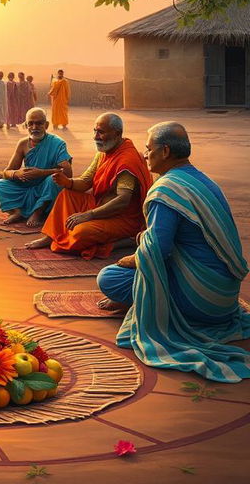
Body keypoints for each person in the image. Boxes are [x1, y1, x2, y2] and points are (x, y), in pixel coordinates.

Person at [97, 122, 250, 382]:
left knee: (109, 277)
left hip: (200, 302)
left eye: (149, 149)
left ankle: (139, 300)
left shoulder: (167, 190)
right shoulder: (202, 180)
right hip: (224, 297)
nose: (145, 155)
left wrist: (130, 259)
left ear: (165, 151)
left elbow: (157, 250)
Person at [26, 113, 152, 258]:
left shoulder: (126, 161)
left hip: (122, 218)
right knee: (67, 194)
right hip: (101, 207)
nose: (95, 136)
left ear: (117, 134)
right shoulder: (104, 153)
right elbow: (86, 181)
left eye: (101, 132)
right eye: (95, 131)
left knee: (80, 233)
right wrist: (68, 182)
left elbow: (123, 200)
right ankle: (50, 237)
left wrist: (88, 215)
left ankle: (125, 241)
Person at [0, 108, 72, 228]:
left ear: (46, 125)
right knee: (0, 184)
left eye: (39, 123)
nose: (35, 127)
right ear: (26, 125)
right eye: (31, 123)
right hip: (26, 186)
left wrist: (41, 173)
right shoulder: (23, 144)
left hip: (46, 189)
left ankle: (38, 213)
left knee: (54, 179)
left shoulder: (57, 143)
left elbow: (67, 173)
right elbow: (6, 172)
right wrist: (17, 174)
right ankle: (17, 212)